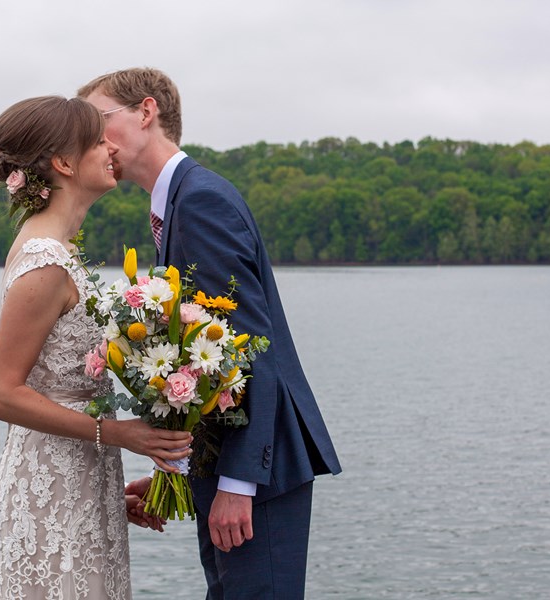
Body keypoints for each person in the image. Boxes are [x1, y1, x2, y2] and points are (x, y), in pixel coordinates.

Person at [78, 69, 342, 600]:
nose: (91, 140)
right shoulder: (179, 204)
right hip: (228, 472)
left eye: (98, 122)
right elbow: (204, 367)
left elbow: (249, 348)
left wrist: (238, 485)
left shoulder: (201, 201)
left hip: (259, 476)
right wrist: (181, 477)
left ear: (146, 113)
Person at [0, 95, 192, 600]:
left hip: (78, 477)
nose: (110, 148)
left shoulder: (62, 252)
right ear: (64, 163)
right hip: (51, 484)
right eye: (99, 142)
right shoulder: (44, 262)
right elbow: (1, 394)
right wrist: (119, 433)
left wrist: (103, 492)